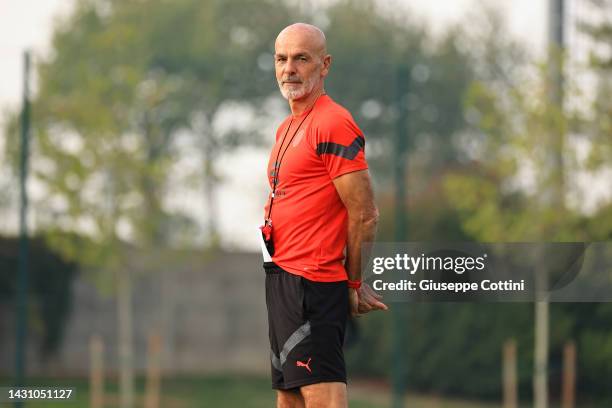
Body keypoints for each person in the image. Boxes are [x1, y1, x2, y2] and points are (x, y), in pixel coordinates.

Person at [261, 23, 388, 408]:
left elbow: (364, 213)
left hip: (312, 284)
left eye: (302, 58)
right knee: (289, 399)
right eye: (282, 59)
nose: (290, 69)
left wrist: (353, 283)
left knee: (324, 399)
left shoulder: (333, 122)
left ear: (324, 64)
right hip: (282, 279)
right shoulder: (286, 126)